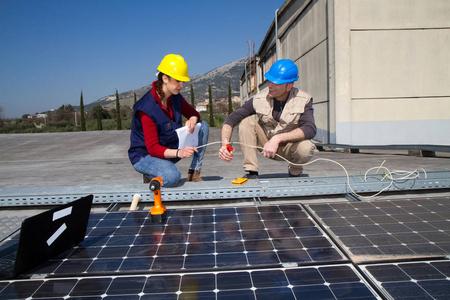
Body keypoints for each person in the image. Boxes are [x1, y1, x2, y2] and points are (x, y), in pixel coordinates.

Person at [218, 59, 316, 178]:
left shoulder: (303, 100)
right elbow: (231, 120)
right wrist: (225, 144)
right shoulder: (259, 99)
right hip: (265, 145)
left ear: (289, 86)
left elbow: (310, 129)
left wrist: (277, 139)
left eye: (276, 83)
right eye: (270, 80)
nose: (270, 85)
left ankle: (295, 170)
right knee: (247, 121)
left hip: (289, 148)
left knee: (306, 147)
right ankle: (251, 171)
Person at [128, 54, 209, 187]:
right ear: (165, 78)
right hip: (145, 156)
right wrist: (179, 153)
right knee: (172, 177)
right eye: (178, 81)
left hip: (166, 146)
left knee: (203, 126)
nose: (181, 85)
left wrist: (193, 120)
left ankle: (194, 171)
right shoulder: (146, 108)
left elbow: (194, 114)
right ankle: (151, 173)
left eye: (183, 81)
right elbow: (153, 148)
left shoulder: (175, 97)